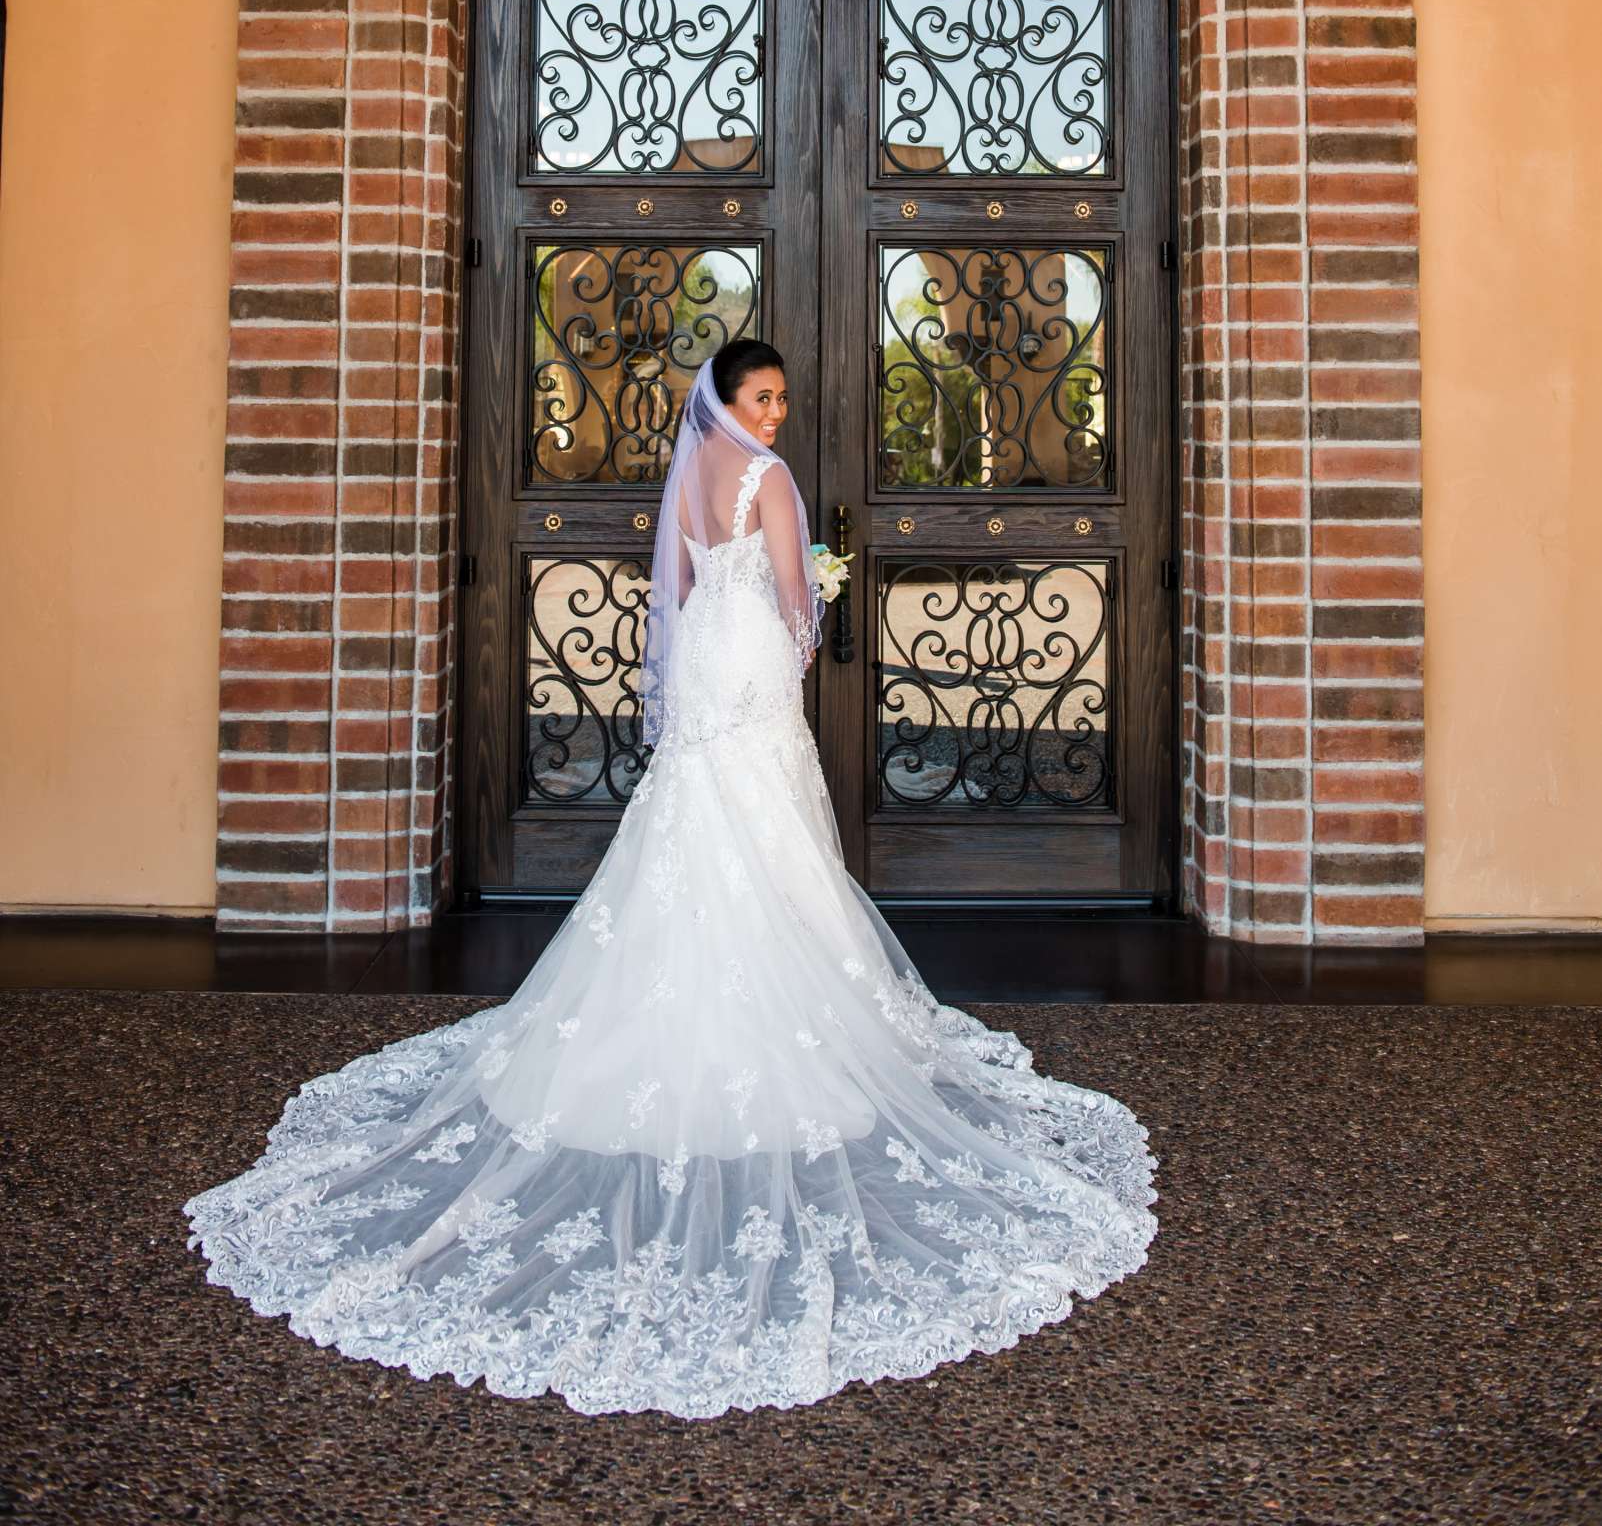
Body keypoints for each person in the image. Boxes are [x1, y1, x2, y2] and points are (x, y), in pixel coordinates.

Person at [183, 340, 1157, 1418]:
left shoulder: (692, 468)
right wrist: (813, 623)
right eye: (764, 397)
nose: (779, 414)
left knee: (696, 815)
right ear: (730, 401)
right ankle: (800, 1009)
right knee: (762, 815)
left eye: (784, 397)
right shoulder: (768, 479)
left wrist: (746, 636)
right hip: (743, 659)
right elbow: (794, 595)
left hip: (701, 649)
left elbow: (681, 579)